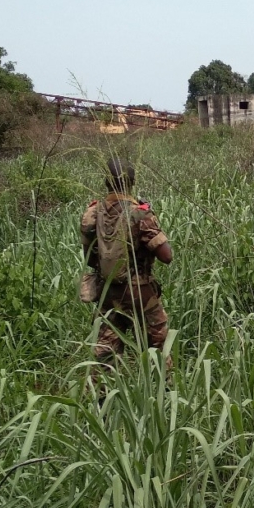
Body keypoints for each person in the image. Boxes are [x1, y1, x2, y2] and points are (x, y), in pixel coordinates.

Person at [80, 158, 171, 372]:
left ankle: (100, 401)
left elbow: (89, 259)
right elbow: (167, 256)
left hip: (107, 292)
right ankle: (163, 395)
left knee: (105, 353)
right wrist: (150, 216)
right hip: (141, 294)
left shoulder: (93, 213)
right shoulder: (139, 213)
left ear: (106, 182)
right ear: (132, 182)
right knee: (157, 347)